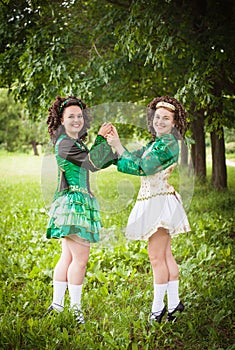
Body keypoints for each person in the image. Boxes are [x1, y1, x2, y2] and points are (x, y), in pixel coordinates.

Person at [107, 96, 191, 324]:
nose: (160, 121)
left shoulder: (167, 144)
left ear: (174, 123)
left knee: (156, 258)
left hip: (159, 203)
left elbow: (142, 167)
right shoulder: (157, 143)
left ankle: (158, 309)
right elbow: (135, 157)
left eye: (166, 118)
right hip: (157, 199)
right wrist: (115, 147)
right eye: (157, 117)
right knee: (164, 255)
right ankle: (174, 304)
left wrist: (118, 150)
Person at [46, 95, 116, 324]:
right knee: (80, 259)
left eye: (79, 116)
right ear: (61, 120)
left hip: (75, 201)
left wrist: (113, 150)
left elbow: (96, 163)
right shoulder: (65, 143)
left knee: (67, 256)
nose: (76, 120)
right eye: (71, 117)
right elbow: (91, 163)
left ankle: (57, 306)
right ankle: (76, 312)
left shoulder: (74, 142)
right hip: (74, 204)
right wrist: (100, 139)